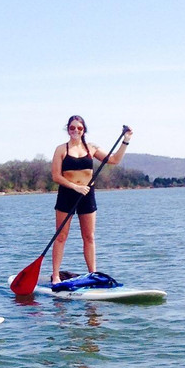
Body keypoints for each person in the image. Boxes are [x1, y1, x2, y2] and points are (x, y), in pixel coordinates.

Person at [49, 115, 133, 285]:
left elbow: (114, 160)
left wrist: (126, 140)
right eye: (72, 128)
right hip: (67, 194)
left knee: (89, 237)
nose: (75, 131)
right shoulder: (61, 149)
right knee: (61, 236)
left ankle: (92, 274)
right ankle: (56, 275)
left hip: (87, 195)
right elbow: (56, 176)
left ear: (83, 130)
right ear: (68, 130)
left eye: (79, 128)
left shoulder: (91, 148)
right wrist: (75, 186)